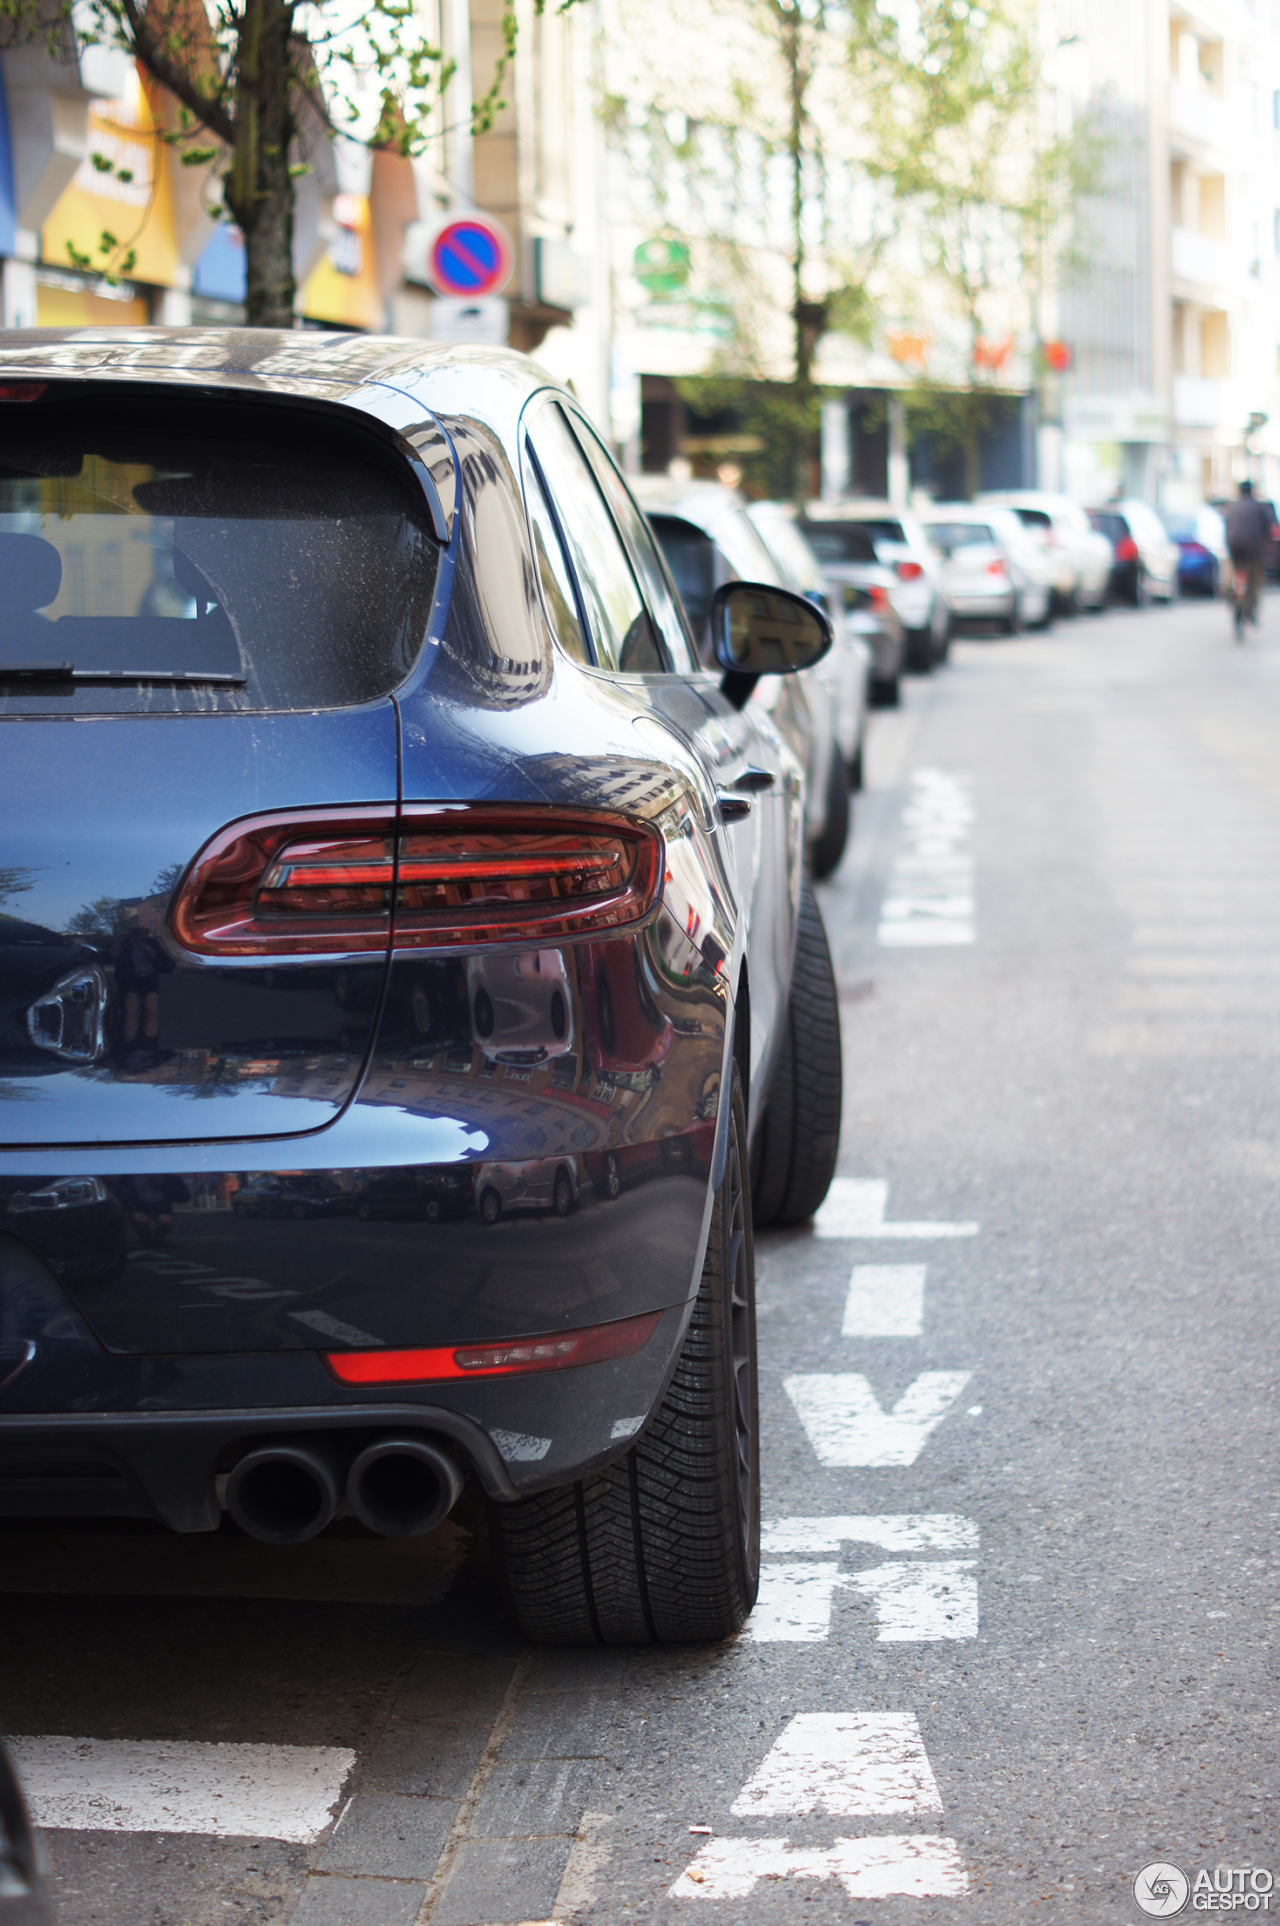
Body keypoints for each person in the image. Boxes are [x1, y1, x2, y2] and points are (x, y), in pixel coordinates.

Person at [1224, 480, 1270, 627]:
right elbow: (1269, 529)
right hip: (1253, 549)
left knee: (1235, 570)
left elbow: (1226, 527)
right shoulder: (1259, 506)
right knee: (1255, 578)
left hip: (1234, 548)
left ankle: (1231, 592)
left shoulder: (1232, 506)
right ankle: (1249, 608)